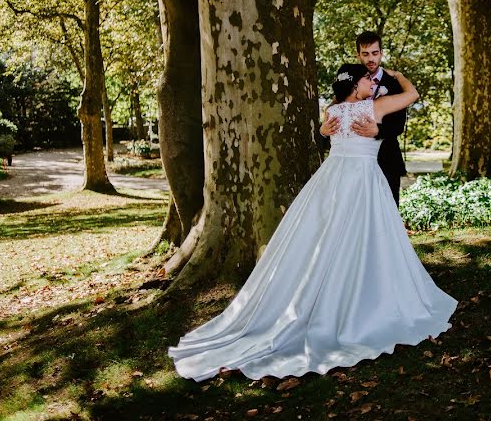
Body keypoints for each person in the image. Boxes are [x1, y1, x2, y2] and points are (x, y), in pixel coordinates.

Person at [168, 63, 457, 382]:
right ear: (355, 85)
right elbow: (413, 94)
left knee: (326, 238)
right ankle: (366, 299)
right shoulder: (375, 106)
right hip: (361, 180)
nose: (371, 82)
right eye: (366, 79)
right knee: (367, 238)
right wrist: (397, 76)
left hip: (331, 179)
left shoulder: (332, 111)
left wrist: (323, 131)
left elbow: (327, 135)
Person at [320, 31, 407, 205]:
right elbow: (334, 110)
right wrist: (323, 131)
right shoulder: (348, 80)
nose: (370, 59)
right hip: (353, 168)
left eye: (375, 53)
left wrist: (378, 130)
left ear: (381, 53)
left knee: (386, 213)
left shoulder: (393, 84)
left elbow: (398, 125)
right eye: (365, 54)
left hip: (386, 159)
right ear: (358, 55)